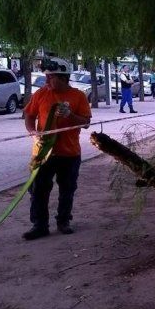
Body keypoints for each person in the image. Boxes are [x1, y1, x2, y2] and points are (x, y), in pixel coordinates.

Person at [23, 57, 92, 240]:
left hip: (69, 153)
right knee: (38, 190)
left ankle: (63, 221)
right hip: (45, 153)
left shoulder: (78, 96)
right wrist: (33, 133)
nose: (46, 81)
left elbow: (86, 123)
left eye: (50, 77)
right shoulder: (40, 94)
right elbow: (29, 116)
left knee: (67, 189)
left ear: (62, 78)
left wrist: (71, 115)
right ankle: (40, 225)